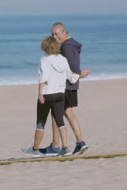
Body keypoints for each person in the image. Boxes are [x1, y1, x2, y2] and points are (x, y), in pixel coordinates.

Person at [21, 36, 90, 157]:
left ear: (45, 47)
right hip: (60, 94)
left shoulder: (44, 60)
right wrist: (80, 75)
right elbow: (71, 76)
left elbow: (44, 77)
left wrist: (40, 93)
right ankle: (65, 148)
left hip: (47, 94)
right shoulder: (63, 59)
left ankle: (35, 149)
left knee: (41, 123)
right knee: (60, 122)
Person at [41, 22, 89, 156]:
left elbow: (72, 68)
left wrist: (79, 75)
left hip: (66, 86)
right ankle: (72, 143)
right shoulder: (69, 45)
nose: (54, 37)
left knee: (61, 115)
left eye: (56, 34)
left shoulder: (67, 47)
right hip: (69, 86)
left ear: (64, 32)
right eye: (52, 35)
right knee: (63, 114)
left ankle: (60, 146)